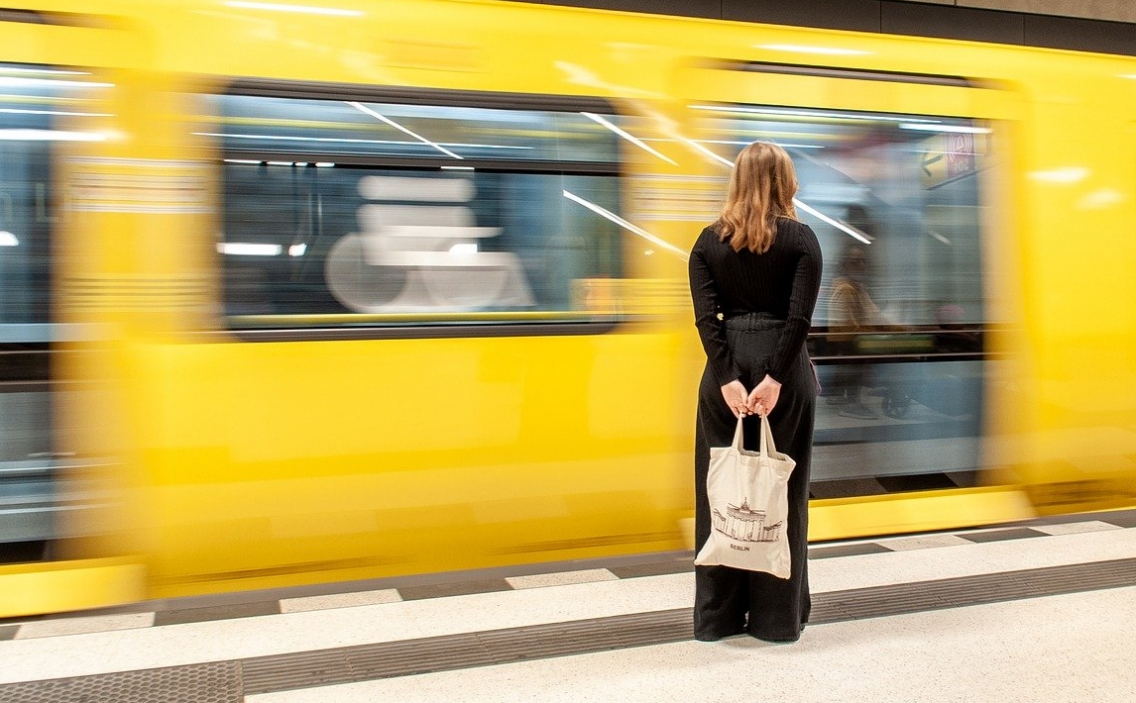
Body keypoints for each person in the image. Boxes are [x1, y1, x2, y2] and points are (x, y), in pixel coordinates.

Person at [688, 141, 822, 643]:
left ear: (737, 181)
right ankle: (774, 620)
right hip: (783, 373)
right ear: (785, 181)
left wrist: (727, 378)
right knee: (782, 495)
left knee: (720, 493)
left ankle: (717, 619)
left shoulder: (706, 242)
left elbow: (707, 319)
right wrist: (776, 379)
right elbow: (799, 319)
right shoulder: (802, 240)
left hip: (722, 378)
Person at [827, 242, 883, 419]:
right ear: (844, 265)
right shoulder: (846, 289)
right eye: (855, 261)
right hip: (848, 342)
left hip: (853, 340)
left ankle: (843, 396)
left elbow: (873, 313)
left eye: (863, 261)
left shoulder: (858, 288)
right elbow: (847, 325)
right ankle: (852, 403)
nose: (862, 266)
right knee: (856, 360)